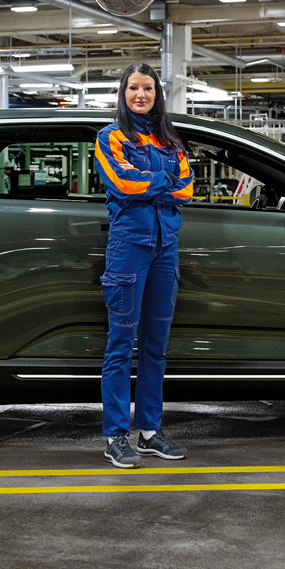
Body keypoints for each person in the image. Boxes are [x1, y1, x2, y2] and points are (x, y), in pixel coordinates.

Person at [94, 63, 193, 469]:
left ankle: (150, 432)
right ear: (123, 92)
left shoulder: (170, 140)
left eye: (148, 88)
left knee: (155, 348)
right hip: (129, 249)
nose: (140, 95)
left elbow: (186, 188)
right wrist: (162, 181)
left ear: (157, 94)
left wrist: (150, 182)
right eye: (133, 87)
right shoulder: (110, 137)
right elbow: (121, 183)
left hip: (165, 249)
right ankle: (115, 436)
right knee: (120, 345)